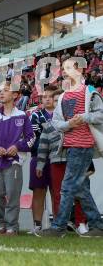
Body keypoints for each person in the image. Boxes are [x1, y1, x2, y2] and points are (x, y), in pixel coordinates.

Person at [37, 59, 103, 237]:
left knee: (67, 187)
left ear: (79, 70)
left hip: (83, 145)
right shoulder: (64, 96)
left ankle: (58, 227)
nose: (65, 72)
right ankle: (98, 225)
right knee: (79, 187)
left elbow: (101, 115)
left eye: (68, 68)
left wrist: (84, 117)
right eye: (63, 69)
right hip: (69, 146)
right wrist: (69, 124)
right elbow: (57, 123)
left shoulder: (89, 91)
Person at [0, 82, 35, 235]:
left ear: (15, 95)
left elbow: (31, 138)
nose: (1, 93)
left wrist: (18, 146)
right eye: (0, 91)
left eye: (6, 91)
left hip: (14, 163)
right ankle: (2, 223)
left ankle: (12, 225)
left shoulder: (22, 116)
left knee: (13, 194)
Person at [36, 89, 88, 235]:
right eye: (56, 100)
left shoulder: (76, 120)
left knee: (79, 192)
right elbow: (43, 146)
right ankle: (60, 226)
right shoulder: (48, 124)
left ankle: (81, 223)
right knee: (58, 194)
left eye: (61, 100)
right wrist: (40, 164)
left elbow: (85, 141)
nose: (59, 102)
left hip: (74, 160)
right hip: (55, 162)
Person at [28, 85, 57, 234]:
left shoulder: (62, 114)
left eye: (50, 96)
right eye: (44, 97)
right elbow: (35, 137)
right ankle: (37, 225)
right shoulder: (35, 115)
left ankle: (58, 225)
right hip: (38, 157)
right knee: (38, 192)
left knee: (56, 192)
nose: (47, 99)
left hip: (57, 159)